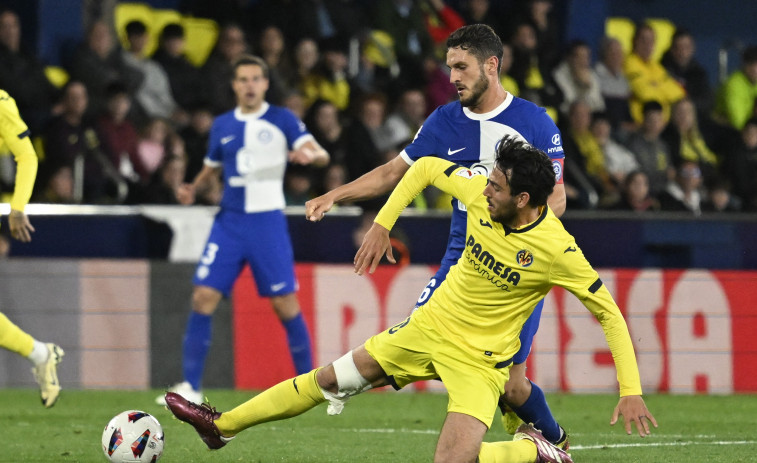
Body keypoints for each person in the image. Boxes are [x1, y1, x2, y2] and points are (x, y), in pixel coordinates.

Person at [165, 136, 657, 462]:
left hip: (480, 362)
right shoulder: (480, 194)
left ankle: (537, 451)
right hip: (426, 330)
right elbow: (422, 167)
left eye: (497, 187)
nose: (484, 190)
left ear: (524, 200)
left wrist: (629, 388)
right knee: (329, 379)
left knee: (452, 461)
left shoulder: (557, 250)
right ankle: (222, 426)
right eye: (486, 180)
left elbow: (609, 316)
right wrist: (383, 223)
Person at [305, 24, 569, 448]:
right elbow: (396, 172)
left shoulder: (534, 122)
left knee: (513, 387)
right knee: (423, 337)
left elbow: (556, 199)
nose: (453, 78)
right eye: (450, 68)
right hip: (459, 264)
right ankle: (347, 381)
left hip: (516, 272)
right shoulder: (443, 121)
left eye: (461, 67)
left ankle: (555, 442)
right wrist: (337, 194)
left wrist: (516, 235)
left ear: (491, 65)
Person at [156, 55, 330, 405]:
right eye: (243, 79)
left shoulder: (282, 119)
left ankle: (310, 386)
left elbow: (321, 153)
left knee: (285, 304)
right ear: (234, 85)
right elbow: (212, 165)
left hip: (266, 222)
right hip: (230, 222)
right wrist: (193, 185)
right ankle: (190, 386)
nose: (249, 85)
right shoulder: (222, 124)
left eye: (255, 79)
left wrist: (311, 156)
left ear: (265, 84)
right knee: (203, 296)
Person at [0, 88, 64, 407]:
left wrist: (17, 208)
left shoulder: (0, 103)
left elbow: (26, 155)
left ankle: (41, 353)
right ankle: (41, 353)